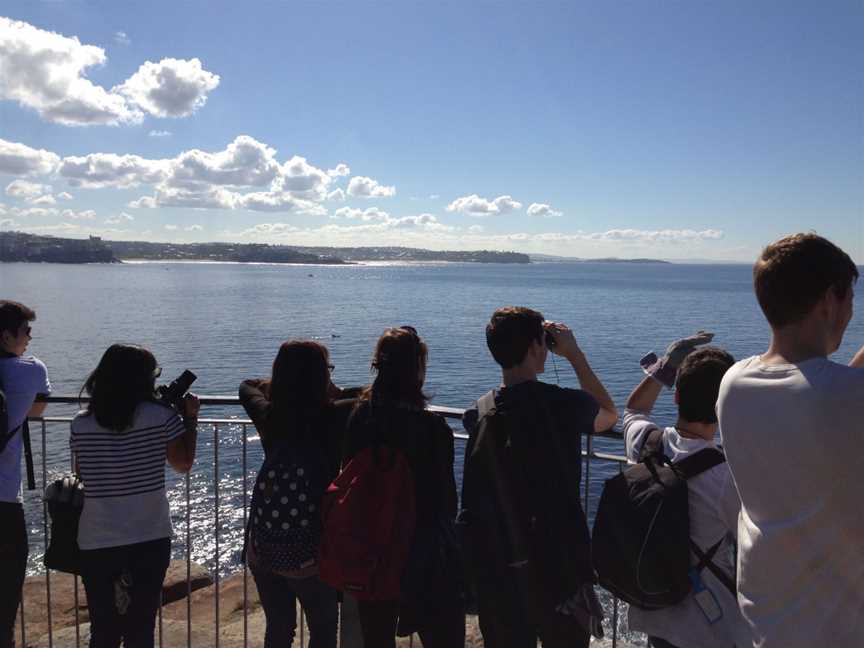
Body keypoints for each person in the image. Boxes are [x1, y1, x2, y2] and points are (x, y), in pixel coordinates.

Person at [717, 233, 864, 647]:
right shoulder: (843, 397)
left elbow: (828, 393)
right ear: (828, 303)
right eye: (850, 299)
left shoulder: (734, 382)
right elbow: (836, 395)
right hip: (838, 630)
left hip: (769, 615)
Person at [461, 306, 618, 648]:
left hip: (500, 567)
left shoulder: (479, 412)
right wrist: (575, 355)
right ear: (536, 346)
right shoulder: (564, 405)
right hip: (559, 568)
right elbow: (608, 414)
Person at [623, 334, 751, 647]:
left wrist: (666, 367)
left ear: (676, 396)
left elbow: (633, 411)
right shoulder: (729, 477)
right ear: (724, 407)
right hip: (710, 629)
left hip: (655, 612)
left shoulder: (646, 444)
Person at [342, 326, 464, 648]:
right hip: (423, 552)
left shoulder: (359, 418)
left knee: (377, 639)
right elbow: (446, 503)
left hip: (372, 549)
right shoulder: (433, 429)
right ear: (417, 370)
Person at [71, 345, 198, 648]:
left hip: (97, 538)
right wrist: (189, 420)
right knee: (141, 628)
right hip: (148, 535)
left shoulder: (81, 422)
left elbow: (80, 470)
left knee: (104, 629)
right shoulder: (161, 416)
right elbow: (182, 464)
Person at [239, 341, 352, 648]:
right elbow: (368, 393)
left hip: (265, 545)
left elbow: (246, 386)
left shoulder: (270, 417)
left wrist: (282, 383)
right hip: (310, 551)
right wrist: (336, 391)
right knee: (324, 628)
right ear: (320, 377)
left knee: (278, 628)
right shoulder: (334, 415)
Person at [0, 301, 50, 648]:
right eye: (25, 331)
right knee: (5, 602)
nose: (30, 337)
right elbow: (37, 411)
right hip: (3, 502)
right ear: (6, 336)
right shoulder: (30, 370)